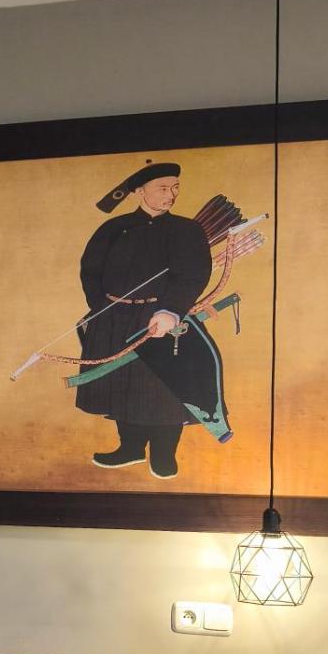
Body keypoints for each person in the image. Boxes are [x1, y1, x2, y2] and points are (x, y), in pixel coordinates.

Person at [76, 160, 214, 479]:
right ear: (140, 191)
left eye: (175, 188)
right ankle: (131, 448)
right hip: (114, 317)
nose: (171, 195)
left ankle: (164, 455)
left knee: (164, 387)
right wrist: (102, 309)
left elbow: (193, 275)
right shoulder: (113, 228)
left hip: (162, 318)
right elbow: (90, 271)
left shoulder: (187, 230)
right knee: (122, 385)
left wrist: (171, 311)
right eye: (162, 188)